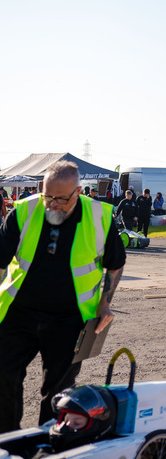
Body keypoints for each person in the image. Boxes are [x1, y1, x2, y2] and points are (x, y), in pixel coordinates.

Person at [0, 160, 125, 432]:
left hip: (70, 319)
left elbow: (115, 264)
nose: (52, 205)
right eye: (47, 196)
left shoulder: (100, 217)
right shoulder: (24, 211)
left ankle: (48, 443)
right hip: (18, 313)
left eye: (60, 199)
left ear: (78, 192)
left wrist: (105, 302)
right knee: (2, 376)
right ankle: (7, 441)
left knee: (57, 391)